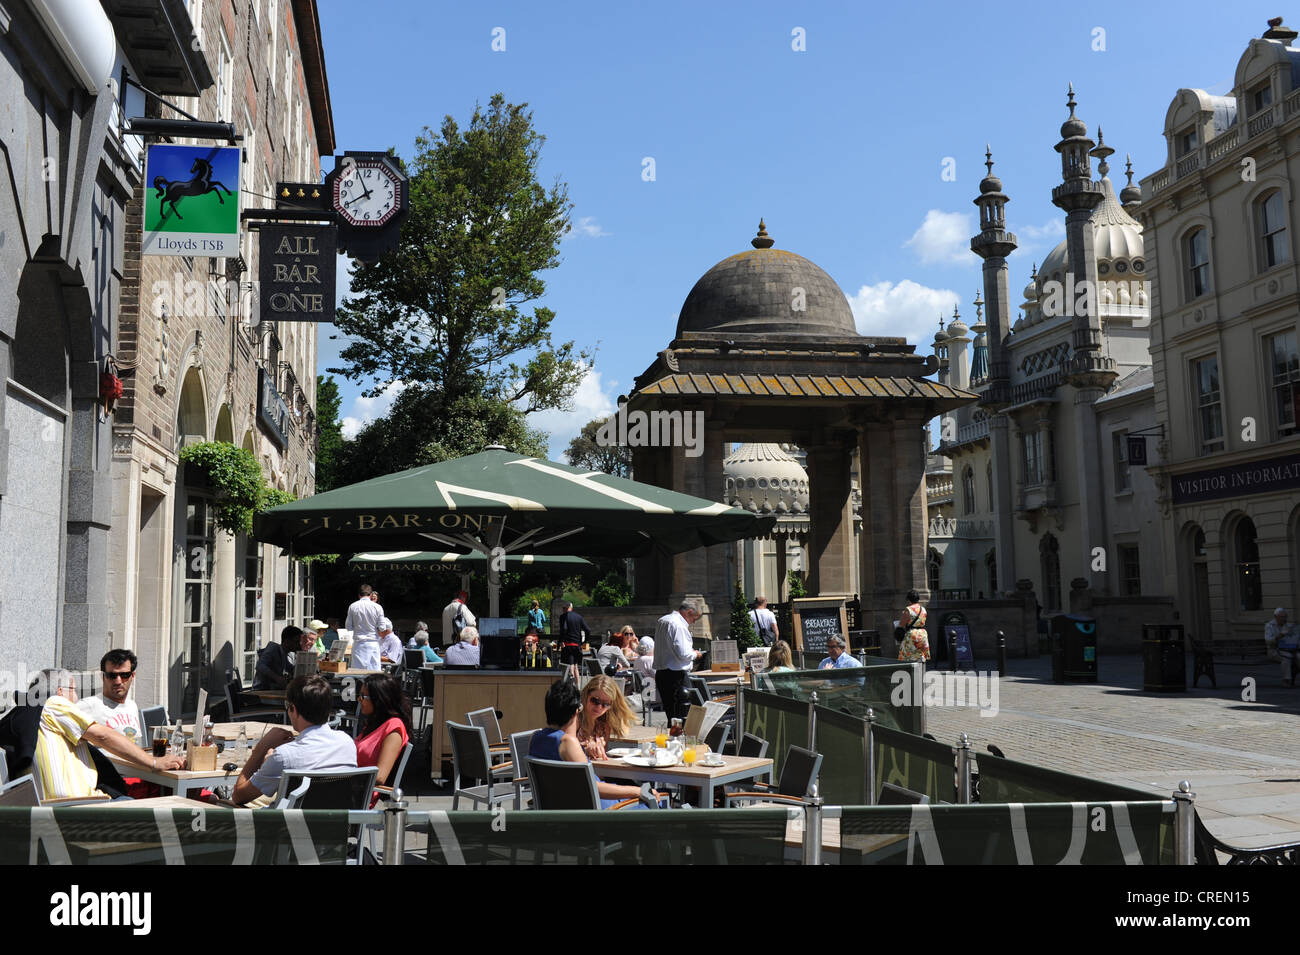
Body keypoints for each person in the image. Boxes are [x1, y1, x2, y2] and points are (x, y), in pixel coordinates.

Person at [32, 668, 183, 801]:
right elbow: (103, 736)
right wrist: (154, 762)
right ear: (60, 692)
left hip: (59, 805)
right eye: (74, 690)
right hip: (79, 806)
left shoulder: (34, 716)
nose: (77, 697)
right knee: (156, 809)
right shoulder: (54, 704)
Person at [232, 675, 358, 807]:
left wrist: (261, 749)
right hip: (336, 825)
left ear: (294, 709)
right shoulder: (347, 743)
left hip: (287, 826)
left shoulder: (284, 756)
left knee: (220, 802)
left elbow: (238, 796)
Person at [529, 679, 656, 809]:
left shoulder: (535, 737)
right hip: (591, 807)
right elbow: (593, 786)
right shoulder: (567, 742)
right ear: (576, 712)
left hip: (561, 805)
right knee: (654, 802)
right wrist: (638, 791)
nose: (599, 707)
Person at [77, 649, 146, 747]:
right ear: (103, 676)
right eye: (112, 675)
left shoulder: (132, 705)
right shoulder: (90, 705)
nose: (118, 681)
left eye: (124, 675)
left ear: (133, 675)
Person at [354, 674, 411, 790]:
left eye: (363, 696)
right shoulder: (375, 723)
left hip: (359, 793)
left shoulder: (394, 728)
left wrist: (342, 776)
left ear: (379, 700)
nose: (359, 699)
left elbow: (380, 777)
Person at [653, 600, 703, 721]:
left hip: (662, 672)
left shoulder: (663, 620)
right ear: (689, 612)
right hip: (676, 675)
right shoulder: (679, 625)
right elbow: (683, 653)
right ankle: (679, 739)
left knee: (671, 715)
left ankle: (673, 738)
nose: (693, 622)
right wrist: (696, 654)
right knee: (682, 716)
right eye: (694, 619)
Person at [577, 674, 634, 761]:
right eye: (595, 701)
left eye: (606, 704)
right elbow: (562, 747)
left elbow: (624, 730)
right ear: (586, 695)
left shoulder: (604, 725)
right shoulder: (574, 719)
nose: (599, 707)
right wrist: (584, 750)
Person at [346, 584, 385, 670]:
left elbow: (348, 627)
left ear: (359, 595)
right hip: (373, 643)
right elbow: (382, 627)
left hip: (359, 644)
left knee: (358, 674)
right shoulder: (378, 607)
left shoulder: (353, 606)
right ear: (371, 595)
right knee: (374, 676)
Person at [254, 625, 302, 690]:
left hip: (270, 692)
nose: (299, 645)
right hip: (260, 693)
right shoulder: (273, 648)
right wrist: (277, 678)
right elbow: (260, 666)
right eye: (297, 642)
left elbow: (291, 669)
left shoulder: (285, 654)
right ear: (287, 641)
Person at [1265, 607, 1299, 686]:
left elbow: (1294, 638)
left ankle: (1292, 675)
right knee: (1286, 658)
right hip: (1274, 650)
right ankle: (1286, 680)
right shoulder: (1269, 626)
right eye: (1282, 617)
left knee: (1298, 657)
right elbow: (1268, 641)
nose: (1284, 619)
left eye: (1285, 617)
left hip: (1289, 649)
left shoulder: (1288, 625)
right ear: (1276, 617)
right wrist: (1279, 636)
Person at [897, 590, 931, 663]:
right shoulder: (923, 609)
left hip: (912, 635)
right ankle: (921, 672)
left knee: (909, 657)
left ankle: (911, 673)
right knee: (920, 657)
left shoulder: (908, 609)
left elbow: (901, 625)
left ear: (909, 599)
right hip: (922, 634)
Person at [557, 602, 590, 666]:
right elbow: (588, 630)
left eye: (564, 608)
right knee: (575, 665)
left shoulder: (563, 617)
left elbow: (564, 629)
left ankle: (571, 675)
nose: (563, 610)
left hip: (567, 645)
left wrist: (561, 641)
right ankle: (575, 676)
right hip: (577, 645)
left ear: (567, 608)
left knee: (567, 665)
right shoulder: (579, 617)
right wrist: (585, 641)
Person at [633, 636, 657, 702]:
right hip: (652, 694)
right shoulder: (650, 660)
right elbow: (658, 676)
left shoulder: (637, 659)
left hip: (643, 692)